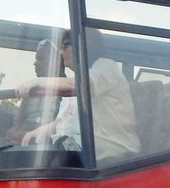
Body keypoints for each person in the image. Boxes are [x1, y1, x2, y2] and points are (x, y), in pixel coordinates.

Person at [19, 28, 140, 162]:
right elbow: (61, 121)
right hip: (80, 149)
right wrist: (37, 132)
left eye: (65, 46)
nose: (61, 52)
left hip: (111, 154)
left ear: (84, 45)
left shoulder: (106, 67)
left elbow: (80, 87)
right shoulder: (77, 79)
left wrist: (39, 82)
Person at [5, 39, 64, 143]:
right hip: (23, 144)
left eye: (40, 59)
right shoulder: (30, 89)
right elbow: (17, 125)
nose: (35, 63)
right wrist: (13, 134)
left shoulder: (66, 91)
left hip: (47, 148)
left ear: (54, 62)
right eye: (36, 59)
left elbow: (62, 127)